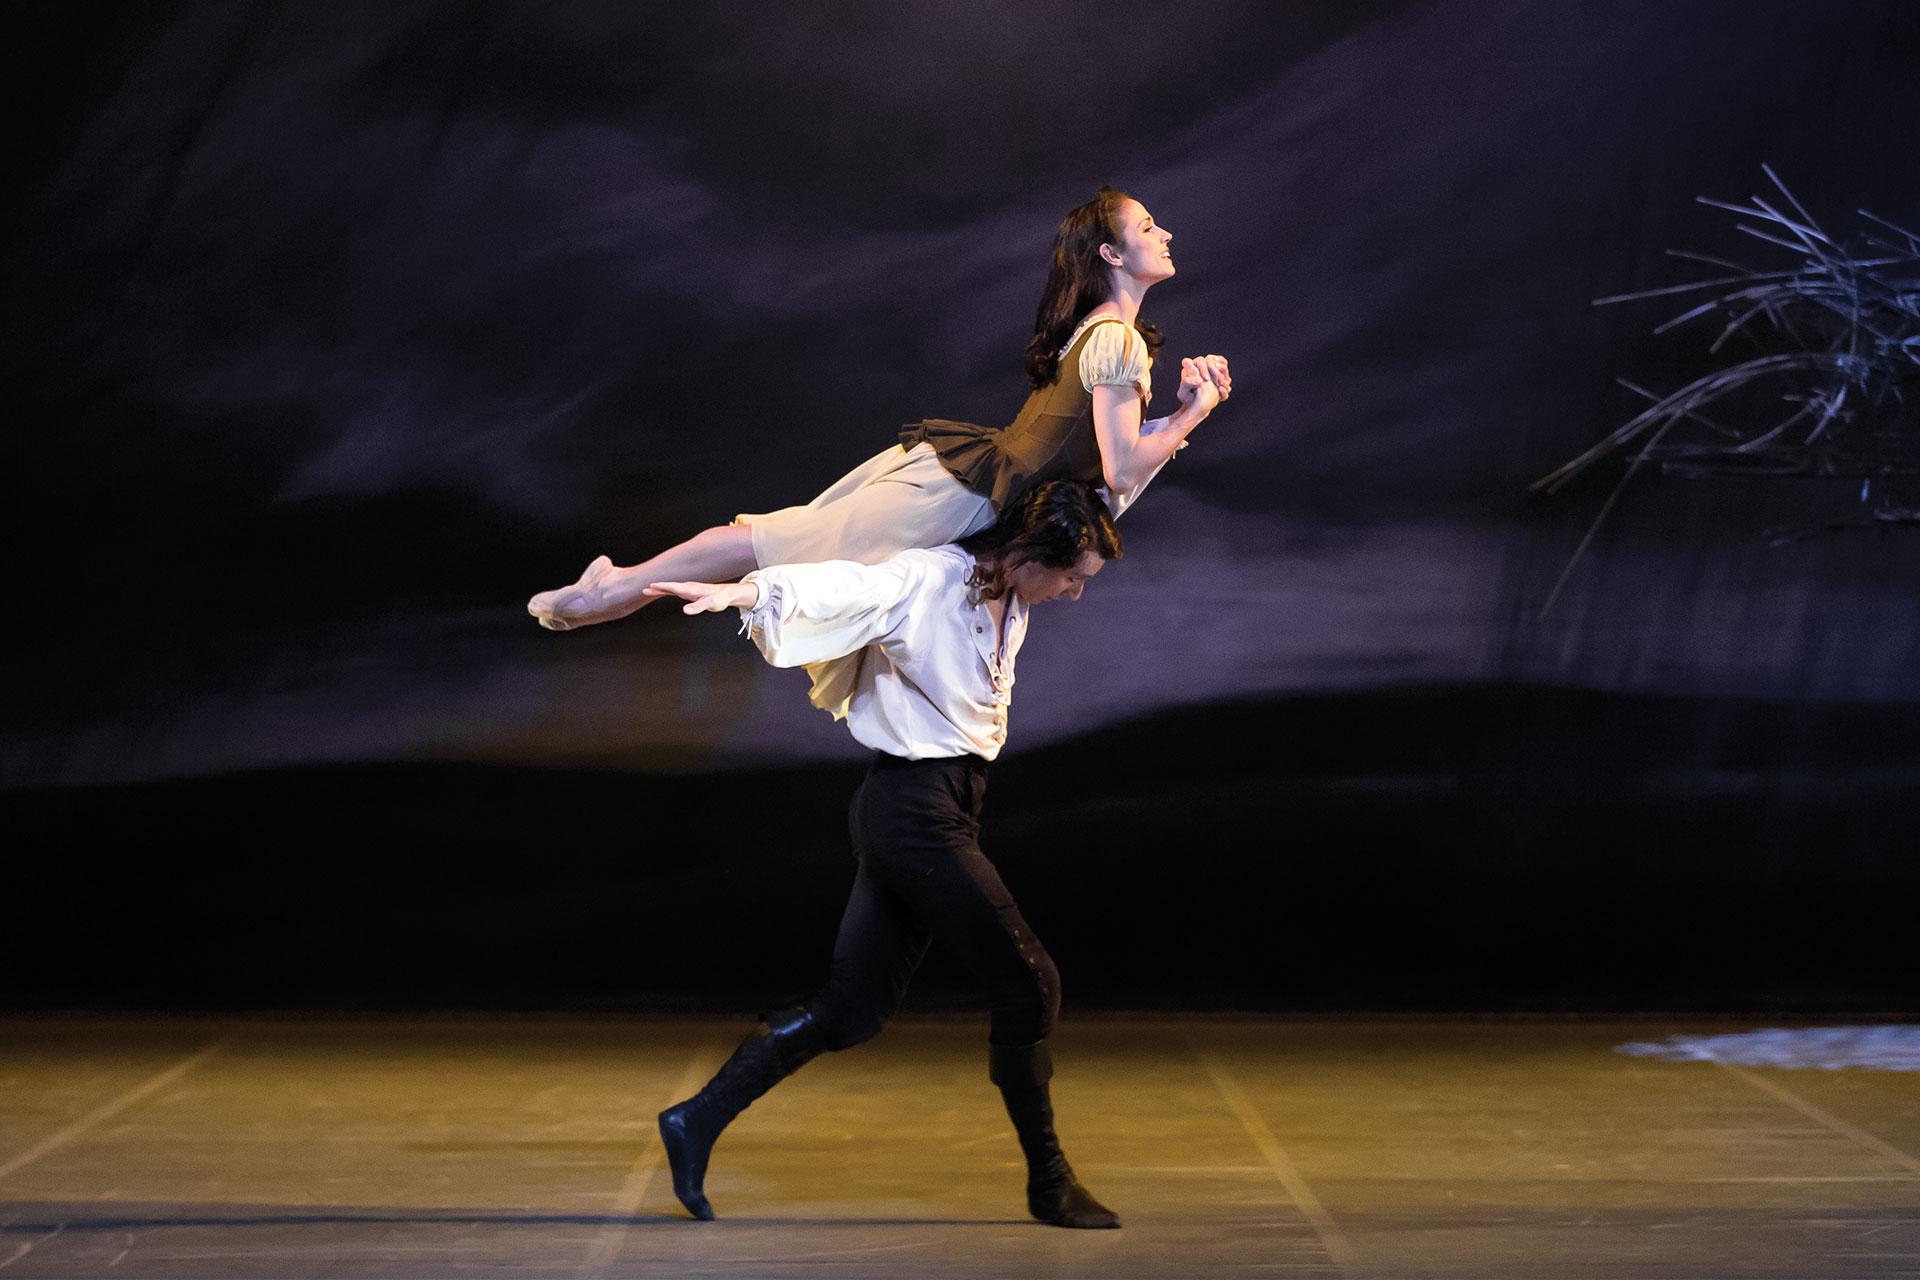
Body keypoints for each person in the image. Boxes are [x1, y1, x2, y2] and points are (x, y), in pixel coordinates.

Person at [648, 480, 1126, 1229]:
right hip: (914, 813)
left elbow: (1106, 497)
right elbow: (850, 584)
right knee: (1031, 983)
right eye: (1072, 575)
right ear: (1033, 552)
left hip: (933, 808)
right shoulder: (930, 579)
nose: (1075, 592)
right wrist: (747, 593)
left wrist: (1188, 416)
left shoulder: (1020, 584)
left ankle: (694, 1120)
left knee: (853, 1010)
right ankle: (1049, 1182)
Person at [525, 186, 1230, 631]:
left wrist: (1188, 410)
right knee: (778, 543)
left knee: (793, 545)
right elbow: (1122, 465)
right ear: (1110, 251)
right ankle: (615, 589)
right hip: (967, 500)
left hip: (978, 495)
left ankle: (619, 587)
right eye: (1148, 226)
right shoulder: (1118, 340)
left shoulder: (1108, 334)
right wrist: (1192, 416)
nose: (1164, 233)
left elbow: (1109, 476)